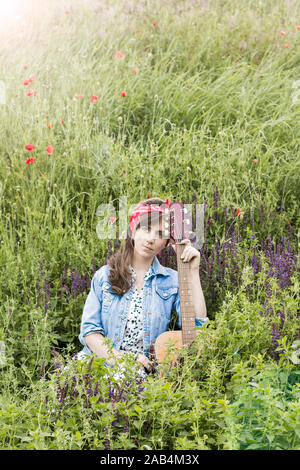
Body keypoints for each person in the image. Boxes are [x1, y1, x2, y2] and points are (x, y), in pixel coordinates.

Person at [76, 197, 208, 375]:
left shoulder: (171, 281)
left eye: (160, 234)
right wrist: (123, 360)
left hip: (138, 371)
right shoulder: (104, 276)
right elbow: (90, 332)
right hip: (97, 363)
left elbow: (198, 327)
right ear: (133, 230)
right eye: (146, 229)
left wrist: (192, 272)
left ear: (167, 242)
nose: (151, 239)